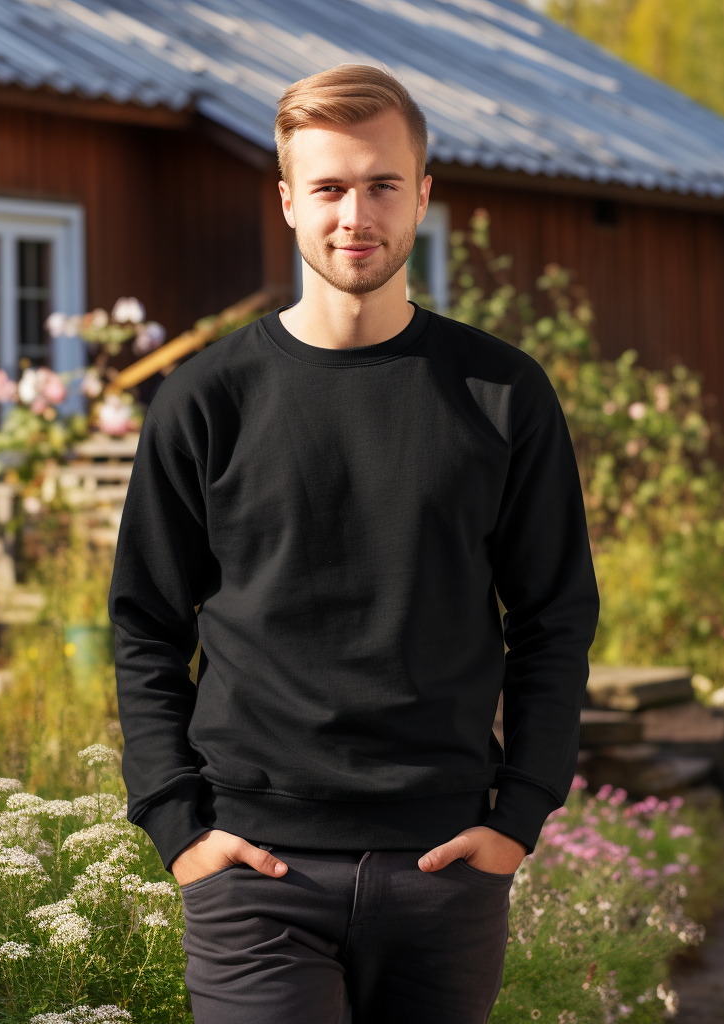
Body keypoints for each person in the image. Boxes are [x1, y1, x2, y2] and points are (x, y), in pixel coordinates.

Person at [110, 63, 600, 1024]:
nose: (355, 215)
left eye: (382, 184)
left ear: (422, 193)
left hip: (445, 869)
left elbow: (555, 617)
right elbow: (145, 625)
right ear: (289, 200)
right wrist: (180, 829)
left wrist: (519, 816)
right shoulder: (208, 400)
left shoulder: (502, 393)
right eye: (329, 187)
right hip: (254, 876)